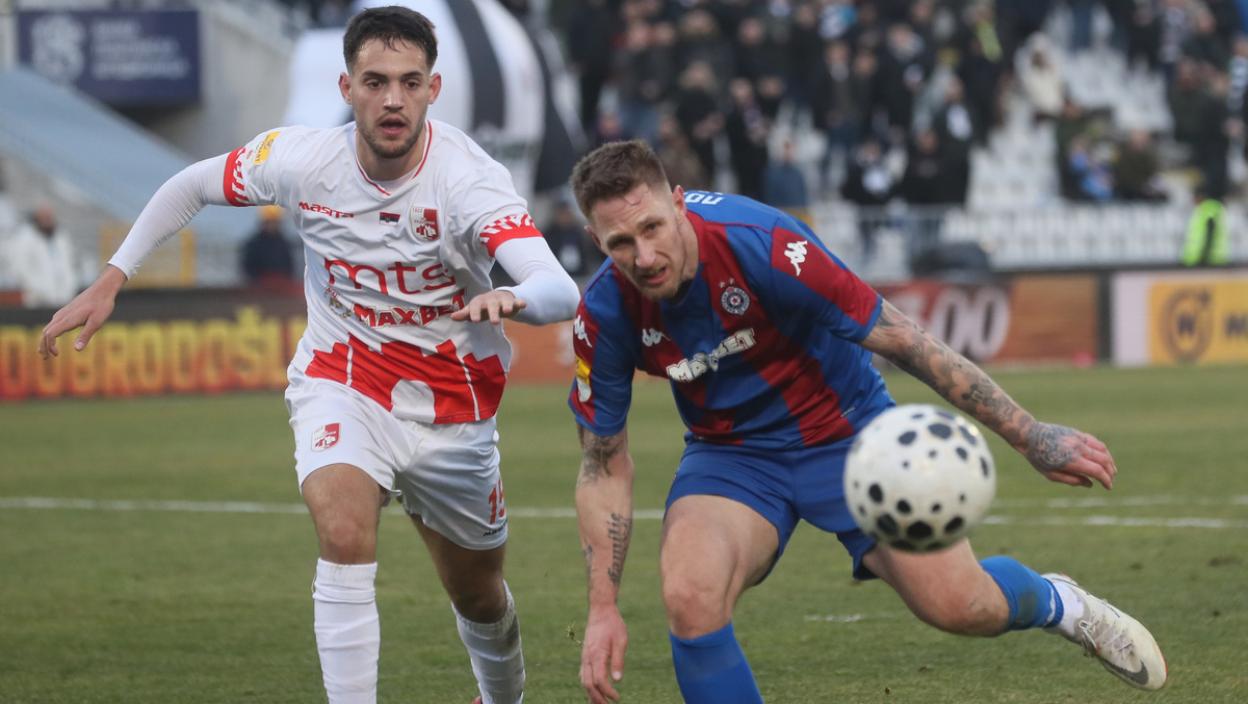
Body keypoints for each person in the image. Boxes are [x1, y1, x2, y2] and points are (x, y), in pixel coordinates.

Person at [38, 7, 580, 704]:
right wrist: (113, 277)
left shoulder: (469, 181)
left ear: (433, 90)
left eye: (409, 82)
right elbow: (192, 184)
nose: (392, 99)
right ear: (347, 87)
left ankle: (503, 697)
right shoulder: (302, 160)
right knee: (344, 530)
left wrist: (514, 298)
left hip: (454, 410)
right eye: (375, 82)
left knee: (478, 593)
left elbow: (557, 288)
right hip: (342, 380)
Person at [566, 140, 1166, 704]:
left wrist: (1029, 434)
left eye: (653, 228)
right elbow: (602, 464)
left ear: (678, 204)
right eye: (621, 242)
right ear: (596, 240)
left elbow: (905, 340)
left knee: (961, 606)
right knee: (689, 596)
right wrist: (603, 609)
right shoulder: (603, 313)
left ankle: (1061, 603)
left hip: (850, 434)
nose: (644, 257)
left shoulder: (765, 245)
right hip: (732, 458)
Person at [5, 203, 86, 309]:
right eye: (44, 217)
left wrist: (69, 289)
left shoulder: (61, 238)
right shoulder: (25, 239)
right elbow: (22, 270)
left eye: (49, 216)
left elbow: (71, 266)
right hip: (38, 302)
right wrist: (42, 291)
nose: (47, 220)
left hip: (64, 300)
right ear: (37, 218)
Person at [240, 205, 298, 291]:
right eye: (269, 222)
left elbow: (290, 267)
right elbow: (248, 268)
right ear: (263, 223)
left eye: (275, 222)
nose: (272, 225)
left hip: (282, 286)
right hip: (260, 287)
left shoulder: (284, 243)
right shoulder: (253, 244)